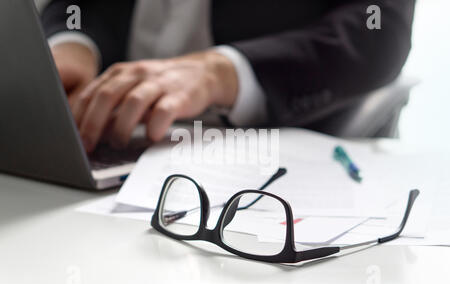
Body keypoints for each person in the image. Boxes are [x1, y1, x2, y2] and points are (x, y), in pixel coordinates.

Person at [41, 0, 415, 153]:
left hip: (264, 147)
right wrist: (73, 40)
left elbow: (378, 26)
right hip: (109, 132)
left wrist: (221, 72)